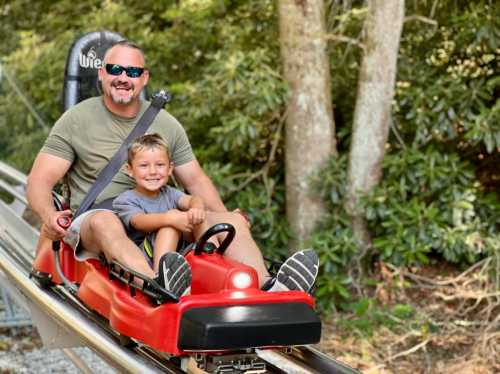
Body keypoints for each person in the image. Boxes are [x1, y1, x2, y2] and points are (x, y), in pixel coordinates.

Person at [27, 40, 319, 297]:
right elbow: (40, 180)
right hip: (100, 216)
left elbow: (195, 179)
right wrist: (49, 216)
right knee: (106, 223)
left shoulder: (167, 124)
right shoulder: (75, 120)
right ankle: (158, 284)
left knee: (230, 221)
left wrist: (227, 215)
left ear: (144, 79)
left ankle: (273, 289)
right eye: (115, 70)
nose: (123, 78)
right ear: (102, 73)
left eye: (132, 72)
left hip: (162, 212)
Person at [113, 133, 220, 295]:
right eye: (143, 166)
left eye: (160, 165)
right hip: (147, 257)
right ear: (130, 170)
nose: (153, 171)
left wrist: (196, 208)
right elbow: (138, 221)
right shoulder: (126, 200)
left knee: (197, 217)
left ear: (170, 168)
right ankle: (162, 281)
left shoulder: (169, 193)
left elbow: (193, 199)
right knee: (170, 225)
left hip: (179, 253)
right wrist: (170, 218)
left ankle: (212, 260)